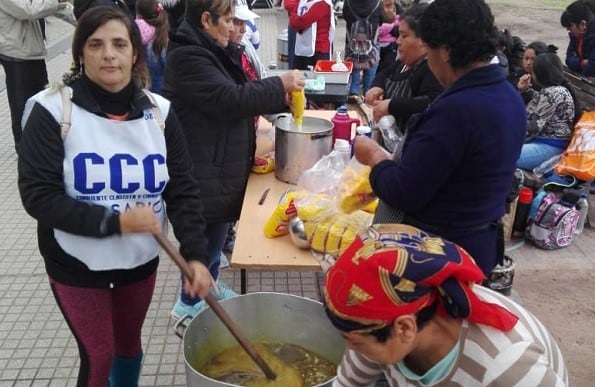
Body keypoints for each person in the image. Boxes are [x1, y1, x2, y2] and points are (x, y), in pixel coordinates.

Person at [17, 6, 214, 386]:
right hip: (76, 261)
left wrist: (195, 255)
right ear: (80, 54)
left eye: (119, 44)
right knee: (100, 354)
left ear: (134, 54)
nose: (109, 53)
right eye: (96, 44)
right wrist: (115, 222)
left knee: (128, 347)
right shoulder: (51, 111)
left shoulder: (160, 114)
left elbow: (183, 189)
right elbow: (38, 196)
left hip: (138, 261)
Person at [353, 0, 526, 276]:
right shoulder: (510, 98)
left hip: (439, 256)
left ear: (445, 50)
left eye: (429, 50)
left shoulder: (455, 112)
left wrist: (374, 156)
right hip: (479, 246)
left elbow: (403, 192)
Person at [161, 0, 305, 319]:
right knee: (204, 235)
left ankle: (207, 284)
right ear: (206, 20)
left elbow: (238, 90)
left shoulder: (212, 49)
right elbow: (229, 99)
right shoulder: (187, 56)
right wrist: (278, 85)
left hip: (219, 164)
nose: (234, 26)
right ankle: (188, 305)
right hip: (202, 166)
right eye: (227, 20)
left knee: (214, 237)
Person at [323, 223, 569, 386]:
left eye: (354, 341)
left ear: (405, 328)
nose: (351, 349)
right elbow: (347, 383)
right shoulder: (382, 325)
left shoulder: (507, 368)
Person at [0, 0, 76, 154]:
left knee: (40, 101)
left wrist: (84, 18)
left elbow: (49, 6)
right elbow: (28, 10)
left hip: (32, 50)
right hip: (17, 53)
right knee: (22, 104)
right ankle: (24, 150)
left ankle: (38, 142)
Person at [364, 3, 442, 134]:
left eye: (404, 36)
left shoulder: (430, 70)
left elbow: (430, 103)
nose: (398, 41)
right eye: (398, 36)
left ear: (424, 40)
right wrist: (377, 86)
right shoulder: (402, 64)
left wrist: (392, 105)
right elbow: (384, 73)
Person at [517, 53, 580, 170]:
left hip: (547, 147)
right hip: (551, 146)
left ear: (539, 74)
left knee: (500, 155)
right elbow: (541, 101)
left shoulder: (551, 93)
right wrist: (525, 90)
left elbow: (532, 129)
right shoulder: (559, 90)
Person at [343, 0, 384, 97]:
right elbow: (382, 20)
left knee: (354, 74)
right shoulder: (378, 3)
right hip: (372, 44)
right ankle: (367, 94)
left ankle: (354, 92)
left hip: (352, 43)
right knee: (370, 74)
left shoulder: (348, 2)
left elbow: (345, 16)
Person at [286, 0, 335, 70]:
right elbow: (293, 17)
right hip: (302, 48)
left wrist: (294, 18)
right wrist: (294, 19)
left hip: (319, 51)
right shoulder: (303, 1)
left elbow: (302, 22)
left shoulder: (323, 4)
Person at [135, 0, 170, 93]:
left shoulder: (132, 36)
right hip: (160, 96)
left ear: (138, 15)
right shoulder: (160, 39)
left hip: (137, 95)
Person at [561, 0, 595, 76]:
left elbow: (591, 69)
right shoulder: (576, 36)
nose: (568, 30)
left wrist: (578, 63)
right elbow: (569, 59)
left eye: (570, 26)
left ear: (582, 24)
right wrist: (582, 63)